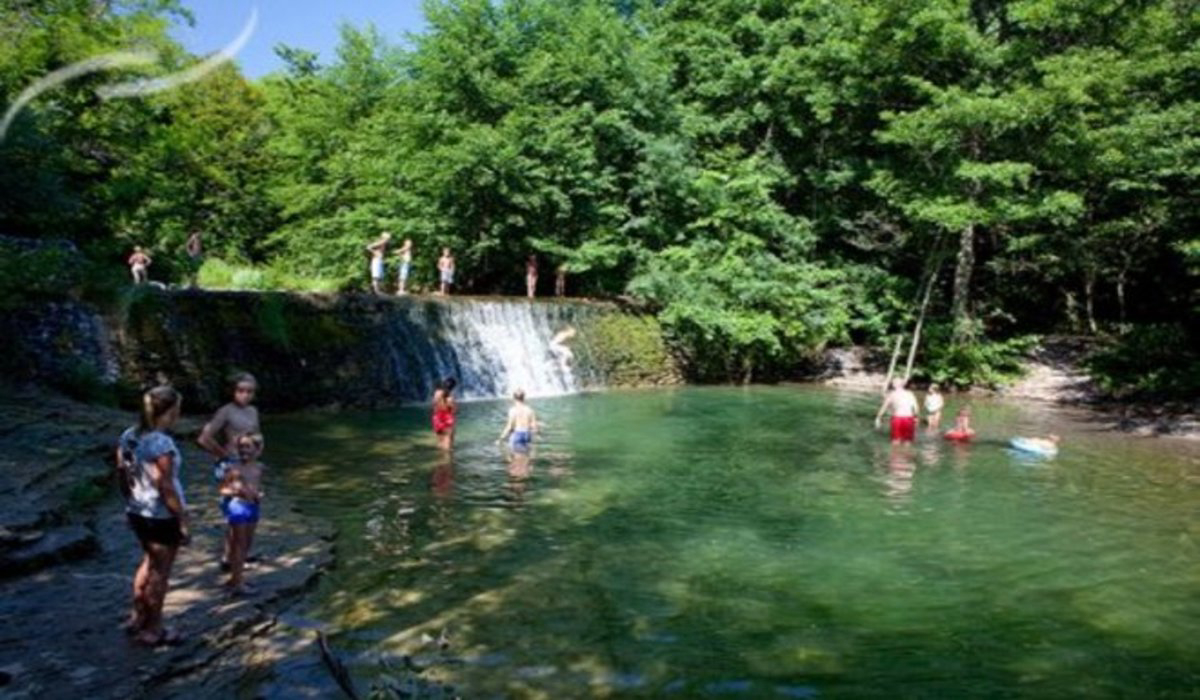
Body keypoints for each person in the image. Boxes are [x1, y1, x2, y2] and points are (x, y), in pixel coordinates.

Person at [116, 385, 189, 646]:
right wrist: (181, 519)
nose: (179, 414)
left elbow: (122, 473)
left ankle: (138, 617)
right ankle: (154, 629)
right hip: (160, 516)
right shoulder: (161, 443)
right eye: (177, 409)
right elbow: (165, 484)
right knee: (161, 573)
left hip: (138, 511)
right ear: (168, 412)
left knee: (148, 562)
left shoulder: (129, 435)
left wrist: (130, 504)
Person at [197, 372, 260, 569]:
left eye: (250, 391)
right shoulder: (226, 411)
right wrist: (223, 454)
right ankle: (230, 558)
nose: (245, 395)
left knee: (248, 508)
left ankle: (236, 554)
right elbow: (204, 438)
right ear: (233, 391)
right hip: (231, 464)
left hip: (248, 463)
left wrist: (257, 459)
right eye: (241, 390)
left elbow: (257, 437)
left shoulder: (253, 411)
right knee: (236, 511)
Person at [219, 432, 265, 595]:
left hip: (253, 507)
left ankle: (235, 578)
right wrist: (236, 491)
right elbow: (223, 490)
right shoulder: (233, 468)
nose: (243, 450)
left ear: (257, 449)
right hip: (238, 507)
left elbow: (257, 487)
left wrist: (259, 494)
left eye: (247, 446)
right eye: (240, 447)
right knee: (238, 545)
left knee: (246, 545)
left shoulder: (260, 468)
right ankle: (237, 583)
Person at [874, 377, 920, 444]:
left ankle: (895, 453)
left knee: (896, 441)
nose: (892, 384)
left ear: (894, 385)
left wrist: (878, 418)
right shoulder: (910, 394)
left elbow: (884, 407)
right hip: (909, 418)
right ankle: (907, 453)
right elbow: (916, 408)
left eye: (893, 383)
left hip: (897, 418)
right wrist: (916, 418)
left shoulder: (892, 394)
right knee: (907, 441)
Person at [497, 388, 539, 453]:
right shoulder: (530, 410)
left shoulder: (512, 410)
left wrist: (501, 439)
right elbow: (535, 427)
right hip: (527, 434)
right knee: (526, 456)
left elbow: (509, 427)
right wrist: (535, 436)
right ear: (524, 398)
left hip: (517, 434)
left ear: (514, 398)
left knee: (515, 458)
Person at [432, 377, 458, 450]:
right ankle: (448, 460)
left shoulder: (436, 393)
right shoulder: (450, 397)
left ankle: (440, 460)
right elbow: (454, 410)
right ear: (453, 387)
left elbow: (433, 405)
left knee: (440, 442)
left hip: (436, 418)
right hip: (447, 418)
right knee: (448, 445)